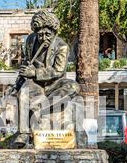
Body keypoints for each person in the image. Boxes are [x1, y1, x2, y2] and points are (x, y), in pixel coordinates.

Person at [4, 11, 81, 147]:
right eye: (40, 34)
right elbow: (26, 64)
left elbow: (58, 71)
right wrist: (19, 82)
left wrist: (34, 73)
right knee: (23, 92)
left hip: (55, 83)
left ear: (54, 32)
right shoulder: (30, 41)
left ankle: (42, 108)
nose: (43, 38)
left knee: (73, 87)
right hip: (36, 84)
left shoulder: (62, 46)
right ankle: (23, 133)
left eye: (47, 34)